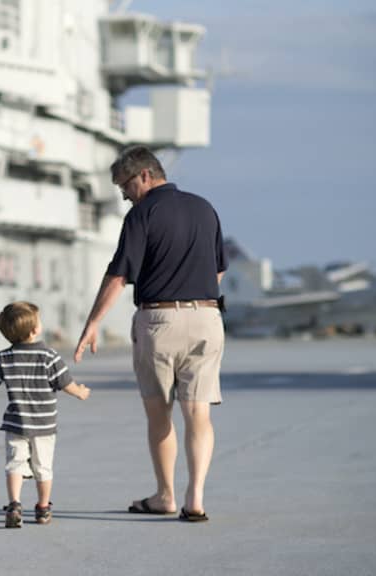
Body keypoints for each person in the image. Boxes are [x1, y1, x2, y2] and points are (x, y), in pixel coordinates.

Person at [73, 145, 227, 523]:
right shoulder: (205, 208)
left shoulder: (142, 214)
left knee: (160, 415)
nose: (124, 196)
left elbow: (118, 275)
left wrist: (92, 322)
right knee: (198, 413)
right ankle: (196, 498)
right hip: (208, 317)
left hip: (159, 321)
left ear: (144, 175)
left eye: (124, 186)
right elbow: (218, 270)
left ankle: (166, 495)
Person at [0, 302, 90, 528]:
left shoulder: (5, 357)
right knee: (43, 467)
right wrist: (80, 392)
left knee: (14, 464)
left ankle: (14, 504)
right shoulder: (49, 356)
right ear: (34, 330)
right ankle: (43, 508)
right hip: (44, 425)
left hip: (15, 423)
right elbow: (66, 383)